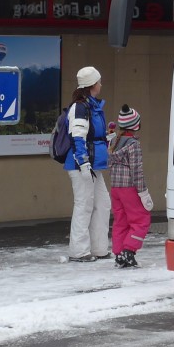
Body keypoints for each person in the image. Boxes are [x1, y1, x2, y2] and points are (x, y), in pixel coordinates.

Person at [64, 66, 111, 262]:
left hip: (93, 166)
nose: (101, 84)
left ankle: (99, 248)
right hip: (82, 165)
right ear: (92, 84)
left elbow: (92, 135)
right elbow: (78, 137)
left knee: (103, 204)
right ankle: (79, 251)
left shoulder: (93, 106)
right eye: (99, 81)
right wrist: (83, 163)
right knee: (84, 205)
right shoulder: (80, 107)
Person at [107, 104, 153, 268]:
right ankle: (129, 250)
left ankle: (119, 254)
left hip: (115, 188)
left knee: (121, 221)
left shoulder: (114, 143)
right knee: (141, 220)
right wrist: (143, 193)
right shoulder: (133, 144)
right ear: (135, 125)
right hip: (130, 188)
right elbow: (137, 170)